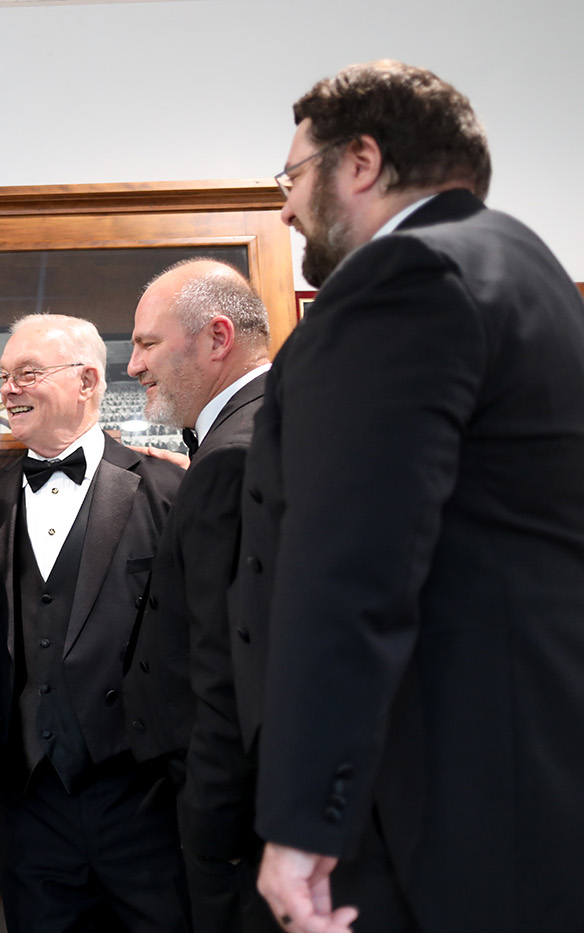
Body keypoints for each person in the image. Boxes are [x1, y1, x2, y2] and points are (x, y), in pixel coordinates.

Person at [232, 60, 584, 933]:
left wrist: (304, 819)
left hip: (445, 800)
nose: (284, 208)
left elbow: (351, 567)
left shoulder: (405, 280)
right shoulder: (529, 269)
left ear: (360, 161)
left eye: (292, 177)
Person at [0, 313, 189, 932]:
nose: (8, 388)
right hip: (27, 808)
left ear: (87, 380)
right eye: (2, 376)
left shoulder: (167, 488)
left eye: (27, 373)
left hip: (146, 802)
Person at [123, 259, 275, 933]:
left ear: (217, 338)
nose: (132, 365)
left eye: (146, 343)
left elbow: (229, 670)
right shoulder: (268, 425)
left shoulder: (231, 457)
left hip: (233, 825)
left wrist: (210, 836)